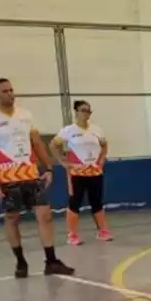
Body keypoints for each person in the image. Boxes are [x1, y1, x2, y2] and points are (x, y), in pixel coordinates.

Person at [0, 78, 74, 278]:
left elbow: (37, 143)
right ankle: (20, 262)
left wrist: (48, 168)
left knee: (45, 215)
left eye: (11, 90)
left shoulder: (26, 115)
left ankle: (51, 260)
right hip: (6, 177)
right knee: (12, 218)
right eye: (4, 91)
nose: (9, 94)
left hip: (30, 174)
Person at [51, 99, 112, 246]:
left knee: (97, 201)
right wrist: (62, 162)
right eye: (83, 110)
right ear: (76, 112)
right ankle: (72, 234)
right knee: (75, 202)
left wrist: (102, 158)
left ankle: (102, 230)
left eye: (89, 111)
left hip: (95, 171)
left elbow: (104, 145)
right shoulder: (69, 131)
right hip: (77, 172)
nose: (87, 113)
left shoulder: (97, 129)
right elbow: (53, 145)